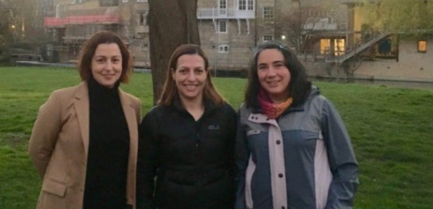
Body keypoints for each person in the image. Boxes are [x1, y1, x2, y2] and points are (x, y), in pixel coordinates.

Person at [235, 41, 359, 209]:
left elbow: (346, 167)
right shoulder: (246, 112)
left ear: (291, 69)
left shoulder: (319, 107)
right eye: (263, 67)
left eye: (278, 65)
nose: (271, 73)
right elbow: (239, 167)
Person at [28, 31, 141, 209]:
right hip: (71, 202)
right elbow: (38, 150)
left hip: (116, 202)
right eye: (101, 60)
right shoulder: (61, 100)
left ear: (123, 64)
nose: (109, 67)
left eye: (115, 60)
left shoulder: (133, 105)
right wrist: (59, 182)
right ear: (89, 63)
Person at [137, 44, 237, 209]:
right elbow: (144, 174)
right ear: (173, 74)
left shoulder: (226, 115)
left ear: (206, 74)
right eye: (184, 71)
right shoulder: (156, 119)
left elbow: (236, 167)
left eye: (198, 71)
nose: (191, 78)